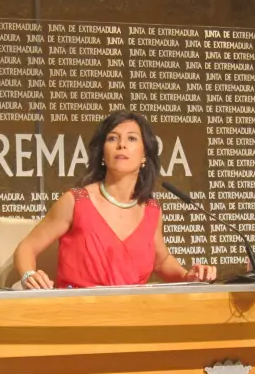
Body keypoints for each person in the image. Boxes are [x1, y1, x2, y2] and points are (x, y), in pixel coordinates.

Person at [13, 111, 217, 289]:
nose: (121, 145)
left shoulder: (152, 210)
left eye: (132, 138)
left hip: (133, 311)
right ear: (103, 153)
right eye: (112, 138)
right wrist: (29, 275)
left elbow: (161, 261)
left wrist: (188, 276)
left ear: (145, 155)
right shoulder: (76, 201)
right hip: (77, 311)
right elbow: (26, 248)